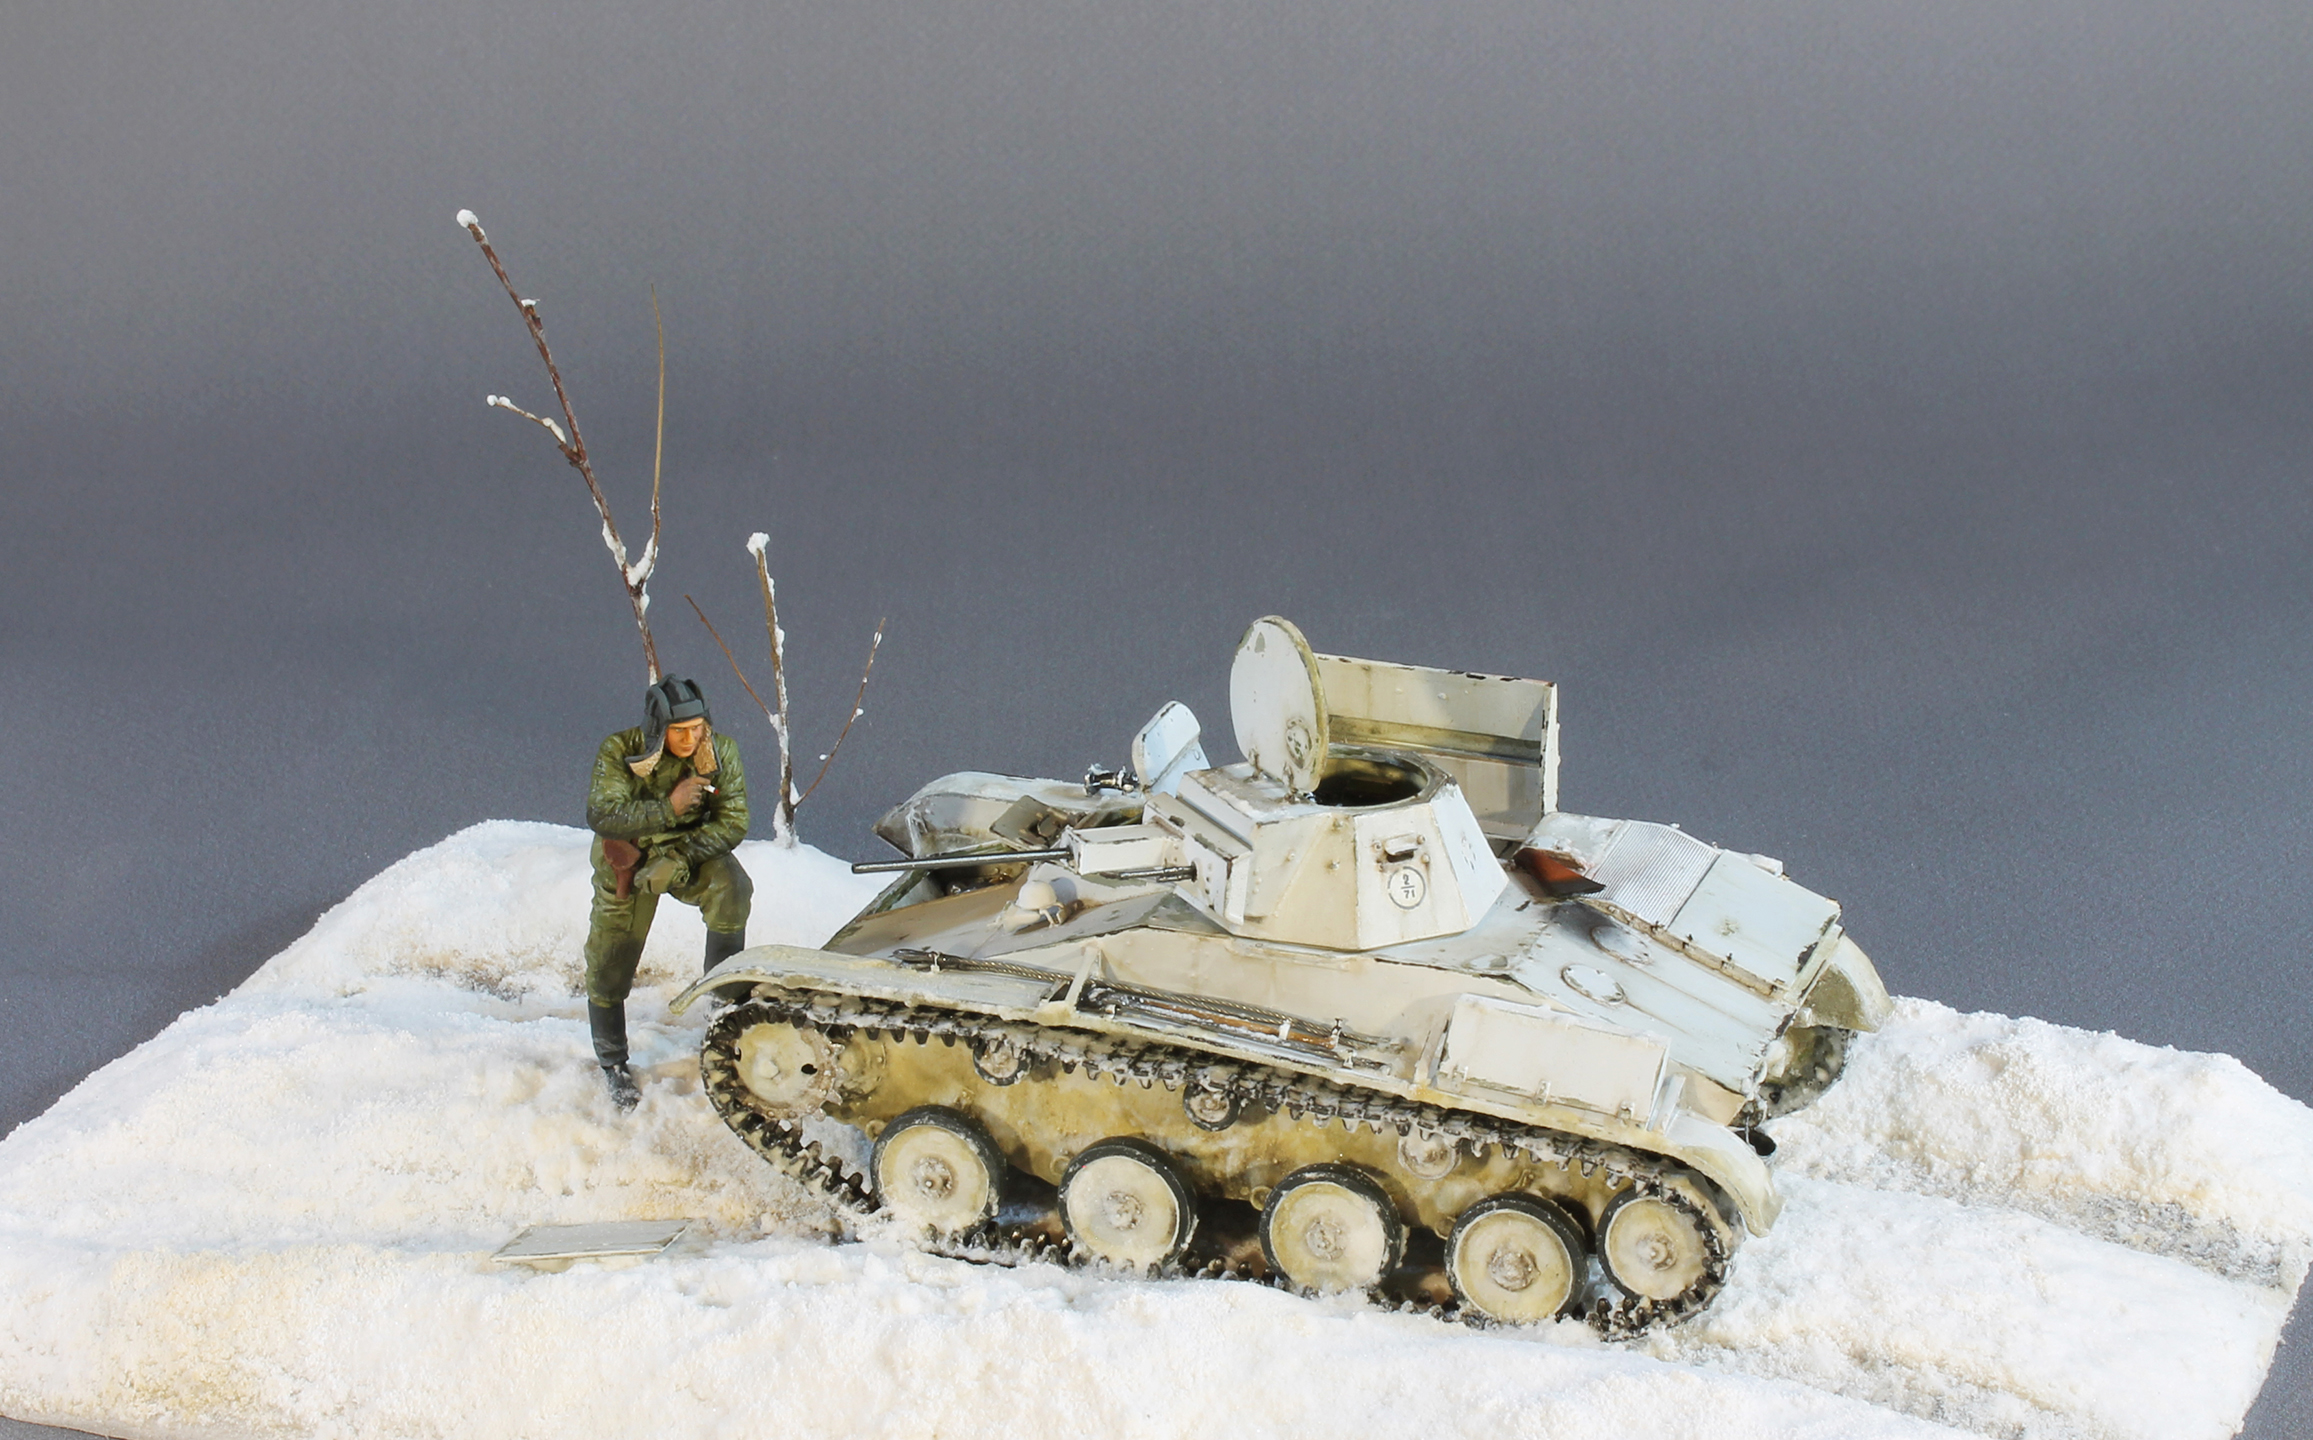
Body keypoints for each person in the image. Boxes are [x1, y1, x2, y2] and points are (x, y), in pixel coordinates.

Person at [583, 676, 752, 1108]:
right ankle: (613, 1062)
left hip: (688, 850)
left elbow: (733, 820)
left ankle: (722, 1016)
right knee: (609, 959)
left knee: (732, 889)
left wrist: (681, 857)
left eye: (697, 728)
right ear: (659, 728)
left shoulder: (719, 752)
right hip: (629, 857)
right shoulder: (620, 751)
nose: (690, 739)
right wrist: (669, 807)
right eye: (679, 731)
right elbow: (604, 814)